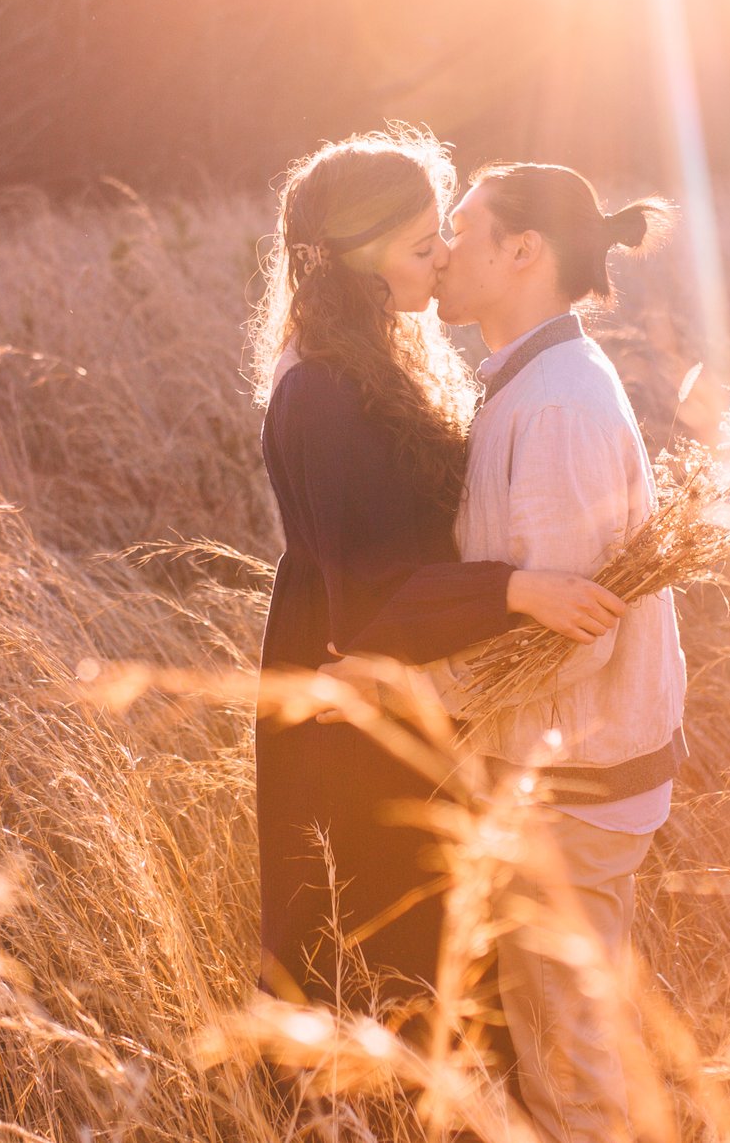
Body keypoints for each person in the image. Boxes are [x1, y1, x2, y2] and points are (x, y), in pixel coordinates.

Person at [334, 160, 683, 1143]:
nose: (440, 253)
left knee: (570, 1070)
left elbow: (566, 639)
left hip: (573, 784)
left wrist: (428, 693)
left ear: (522, 250)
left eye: (464, 228)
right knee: (555, 1041)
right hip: (560, 777)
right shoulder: (530, 382)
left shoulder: (560, 405)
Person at [246, 129, 629, 1014]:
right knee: (378, 943)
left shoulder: (372, 355)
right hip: (350, 691)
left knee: (426, 939)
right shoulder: (325, 390)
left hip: (398, 671)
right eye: (424, 246)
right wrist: (513, 588)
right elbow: (372, 593)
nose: (444, 257)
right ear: (360, 258)